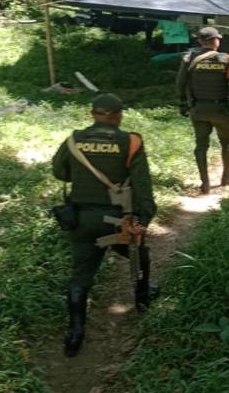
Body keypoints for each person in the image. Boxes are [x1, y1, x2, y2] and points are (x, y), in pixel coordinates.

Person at [52, 93, 156, 357]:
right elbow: (142, 183)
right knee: (139, 255)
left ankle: (75, 334)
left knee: (80, 277)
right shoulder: (130, 141)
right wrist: (145, 218)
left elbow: (59, 171)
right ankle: (143, 298)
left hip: (81, 219)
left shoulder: (74, 139)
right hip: (118, 221)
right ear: (119, 116)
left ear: (92, 114)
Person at [176, 26, 229, 194]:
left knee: (201, 145)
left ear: (200, 41)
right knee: (226, 142)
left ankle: (204, 184)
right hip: (221, 109)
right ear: (215, 41)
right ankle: (225, 178)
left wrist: (183, 104)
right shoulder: (226, 59)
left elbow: (180, 84)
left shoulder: (188, 59)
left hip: (198, 109)